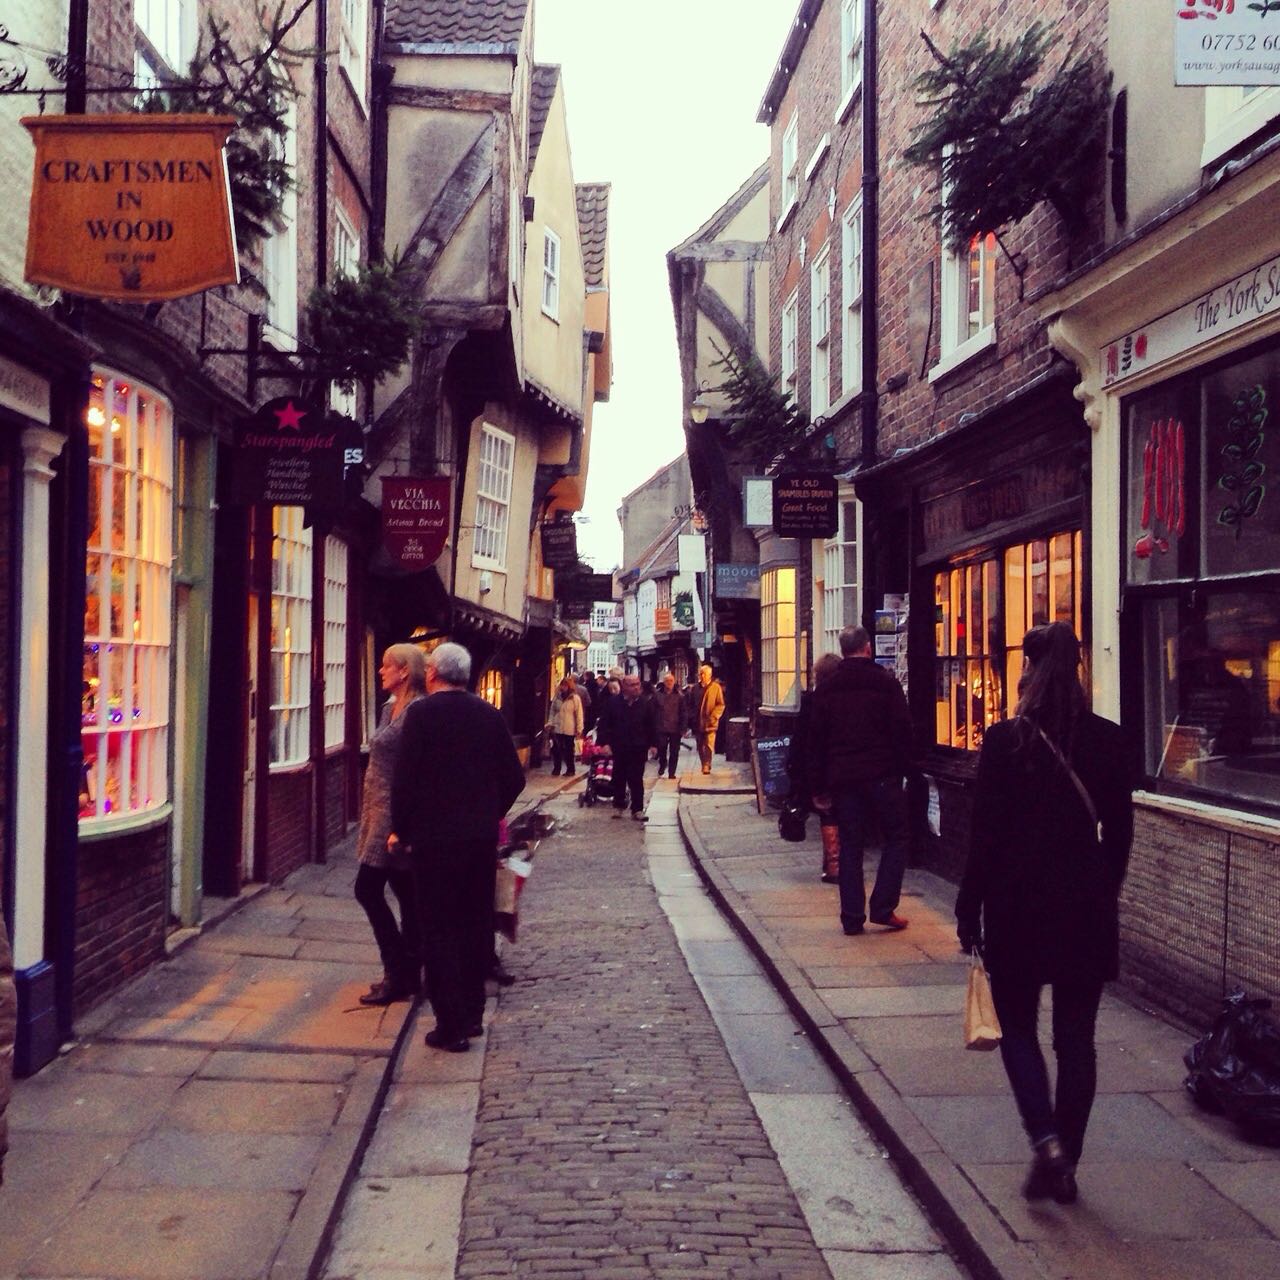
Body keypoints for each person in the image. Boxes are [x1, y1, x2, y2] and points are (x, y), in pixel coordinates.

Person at [955, 622, 1134, 1205]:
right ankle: (1068, 1161)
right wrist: (1101, 889)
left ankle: (1046, 1139)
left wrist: (968, 904)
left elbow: (984, 837)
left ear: (1028, 671)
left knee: (1020, 1033)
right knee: (1077, 1042)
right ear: (1079, 670)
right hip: (1084, 908)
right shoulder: (1108, 741)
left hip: (1017, 906)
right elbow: (1120, 836)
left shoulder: (1006, 742)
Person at [390, 642, 525, 1052]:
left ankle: (449, 1027)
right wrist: (488, 814)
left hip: (433, 843)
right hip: (478, 842)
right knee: (473, 927)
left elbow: (405, 781)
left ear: (432, 673)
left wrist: (404, 830)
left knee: (439, 931)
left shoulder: (422, 716)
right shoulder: (489, 715)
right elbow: (514, 778)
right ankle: (472, 1017)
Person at [808, 625, 916, 935]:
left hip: (844, 780)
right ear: (867, 648)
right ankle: (883, 906)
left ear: (843, 650)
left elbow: (816, 742)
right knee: (897, 837)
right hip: (882, 775)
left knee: (851, 846)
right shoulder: (885, 683)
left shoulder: (827, 689)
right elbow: (902, 731)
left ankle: (852, 917)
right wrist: (905, 770)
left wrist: (818, 786)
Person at [352, 644, 426, 1006]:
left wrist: (405, 824)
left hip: (394, 816)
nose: (381, 671)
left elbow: (414, 770)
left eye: (387, 666)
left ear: (404, 671)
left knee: (367, 888)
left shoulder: (415, 712)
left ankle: (398, 971)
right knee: (406, 895)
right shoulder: (388, 709)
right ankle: (408, 971)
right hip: (376, 810)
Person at [787, 652, 843, 882]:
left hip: (822, 768)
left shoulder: (813, 701)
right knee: (845, 817)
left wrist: (795, 769)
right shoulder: (848, 699)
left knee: (828, 815)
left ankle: (834, 866)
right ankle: (842, 864)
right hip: (847, 767)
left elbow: (802, 740)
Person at [596, 672, 658, 820]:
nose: (636, 688)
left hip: (638, 747)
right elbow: (604, 724)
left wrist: (654, 744)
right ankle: (618, 805)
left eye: (638, 684)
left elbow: (652, 725)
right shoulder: (613, 703)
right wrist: (604, 743)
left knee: (636, 778)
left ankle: (637, 809)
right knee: (619, 777)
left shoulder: (645, 703)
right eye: (632, 685)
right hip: (619, 746)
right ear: (624, 686)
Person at [652, 671, 687, 778]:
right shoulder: (657, 695)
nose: (669, 683)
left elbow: (683, 713)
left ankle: (672, 772)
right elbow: (653, 711)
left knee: (674, 751)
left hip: (675, 728)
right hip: (661, 727)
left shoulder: (680, 696)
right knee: (662, 748)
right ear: (663, 682)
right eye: (667, 681)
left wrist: (683, 728)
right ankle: (663, 763)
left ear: (674, 682)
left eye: (671, 681)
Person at [547, 676, 584, 777]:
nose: (563, 687)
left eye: (565, 685)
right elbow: (552, 711)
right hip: (557, 727)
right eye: (562, 685)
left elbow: (579, 714)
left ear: (569, 686)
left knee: (568, 750)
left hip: (569, 728)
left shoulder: (575, 698)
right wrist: (550, 723)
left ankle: (570, 769)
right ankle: (556, 768)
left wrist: (579, 728)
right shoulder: (557, 697)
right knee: (556, 749)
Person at [693, 664, 725, 776]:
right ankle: (703, 763)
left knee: (709, 745)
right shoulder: (695, 688)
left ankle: (707, 764)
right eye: (700, 673)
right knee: (700, 746)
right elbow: (691, 704)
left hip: (710, 722)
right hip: (698, 722)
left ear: (709, 675)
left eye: (704, 674)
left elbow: (721, 704)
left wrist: (714, 716)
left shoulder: (716, 688)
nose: (702, 676)